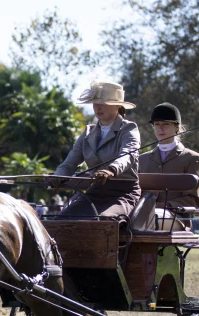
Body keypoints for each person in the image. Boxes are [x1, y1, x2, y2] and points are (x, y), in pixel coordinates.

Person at [50, 81, 141, 219]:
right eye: (95, 103)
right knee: (61, 219)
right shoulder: (88, 133)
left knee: (102, 221)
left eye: (103, 103)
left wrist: (112, 170)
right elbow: (70, 163)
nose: (98, 107)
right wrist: (58, 176)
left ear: (117, 105)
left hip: (123, 193)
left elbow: (128, 155)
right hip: (95, 192)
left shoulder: (128, 129)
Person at [138, 103, 199, 214]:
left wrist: (166, 206)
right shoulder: (142, 159)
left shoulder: (192, 158)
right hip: (143, 217)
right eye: (157, 124)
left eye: (166, 124)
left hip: (176, 219)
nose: (160, 128)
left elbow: (193, 199)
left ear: (177, 127)